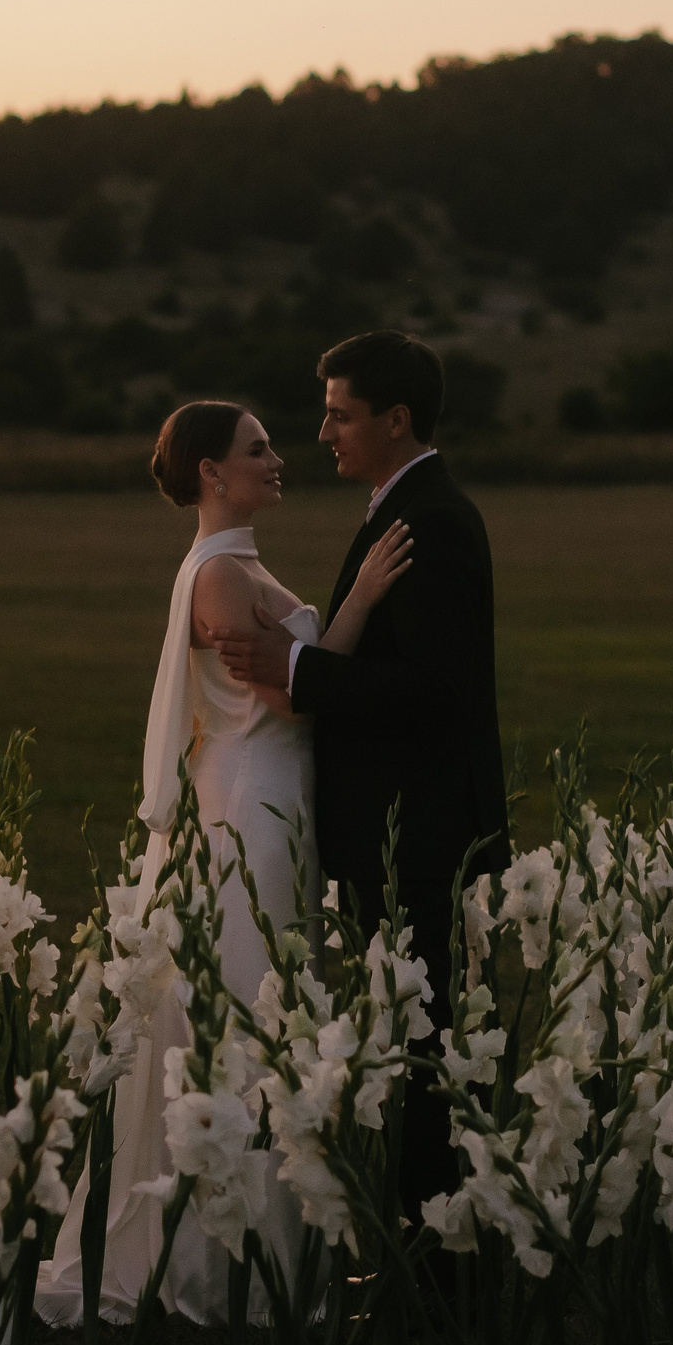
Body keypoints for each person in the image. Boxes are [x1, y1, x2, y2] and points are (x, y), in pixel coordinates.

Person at [35, 399, 411, 1325]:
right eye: (257, 448)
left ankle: (271, 1246)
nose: (278, 457)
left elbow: (295, 675)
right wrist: (359, 597)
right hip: (250, 807)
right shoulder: (221, 581)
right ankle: (230, 1257)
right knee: (252, 1005)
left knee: (267, 1001)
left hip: (269, 802)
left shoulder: (239, 561)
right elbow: (292, 703)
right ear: (211, 470)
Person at [212, 330, 509, 1212]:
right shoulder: (402, 508)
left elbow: (431, 690)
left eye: (340, 415)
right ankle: (424, 1231)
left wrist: (296, 669)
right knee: (408, 1037)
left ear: (397, 418)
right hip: (400, 827)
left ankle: (433, 1249)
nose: (323, 432)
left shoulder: (433, 522)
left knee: (423, 1047)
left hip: (417, 830)